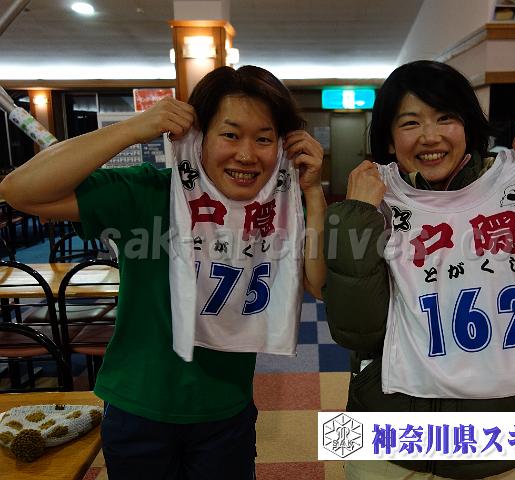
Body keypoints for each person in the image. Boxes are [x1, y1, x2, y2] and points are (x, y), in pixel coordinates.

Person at [0, 65, 326, 479]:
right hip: (139, 403)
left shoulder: (276, 210)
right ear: (200, 135)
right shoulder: (151, 192)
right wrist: (132, 129)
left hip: (225, 406)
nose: (246, 154)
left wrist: (313, 192)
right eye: (230, 134)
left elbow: (317, 283)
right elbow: (18, 190)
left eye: (264, 139)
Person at [323, 60, 515, 480]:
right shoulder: (371, 204)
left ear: (470, 126)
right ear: (389, 138)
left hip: (499, 435)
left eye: (445, 118)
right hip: (388, 429)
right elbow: (355, 331)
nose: (430, 136)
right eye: (410, 122)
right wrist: (356, 216)